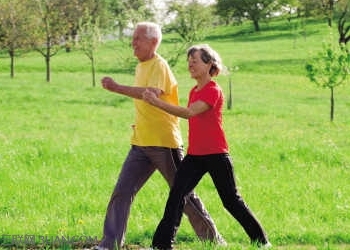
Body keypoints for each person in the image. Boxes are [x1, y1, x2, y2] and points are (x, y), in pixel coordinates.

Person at [96, 22, 225, 250]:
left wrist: (117, 88)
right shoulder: (141, 66)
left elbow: (150, 95)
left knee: (184, 196)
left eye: (138, 38)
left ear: (153, 42)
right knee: (122, 192)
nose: (133, 43)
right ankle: (109, 244)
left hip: (164, 143)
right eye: (133, 38)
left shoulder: (159, 65)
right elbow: (146, 103)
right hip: (140, 142)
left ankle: (213, 241)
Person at [142, 44, 272, 249]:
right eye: (189, 61)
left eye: (195, 60)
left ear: (209, 64)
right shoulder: (194, 90)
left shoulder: (213, 90)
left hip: (216, 155)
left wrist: (157, 103)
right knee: (176, 195)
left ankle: (262, 242)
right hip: (195, 156)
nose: (190, 64)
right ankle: (162, 244)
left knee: (231, 201)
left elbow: (189, 113)